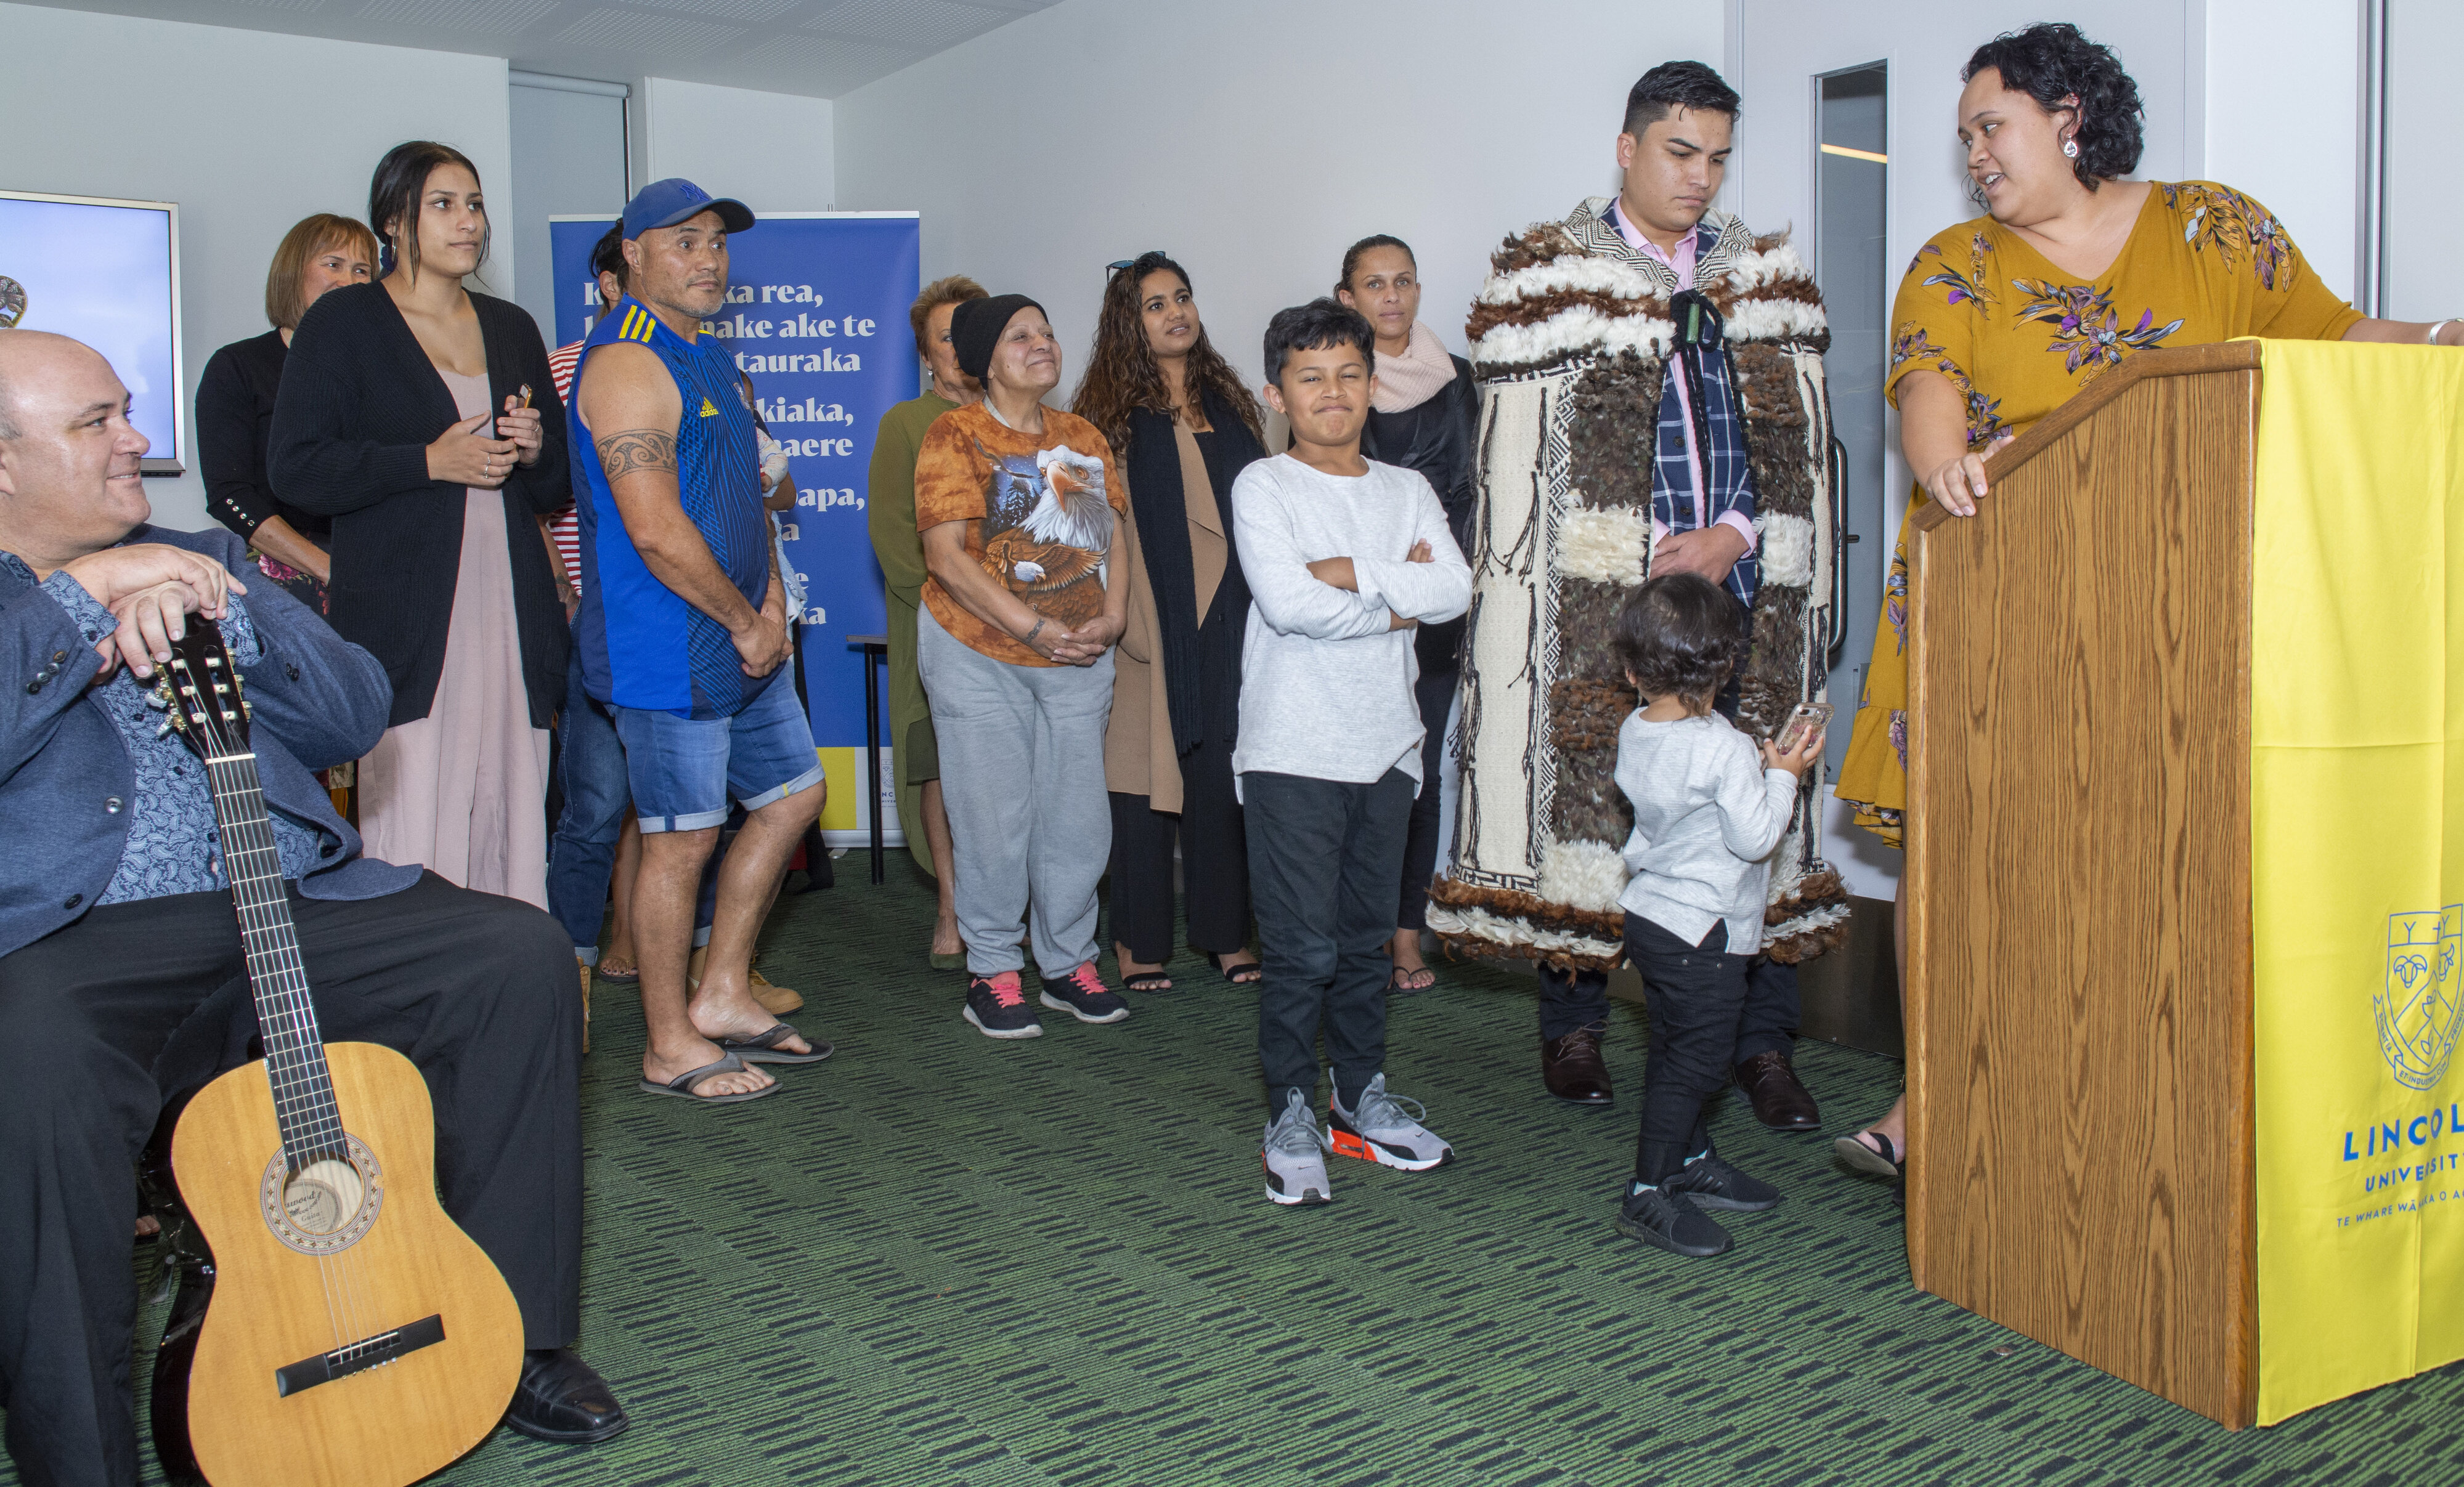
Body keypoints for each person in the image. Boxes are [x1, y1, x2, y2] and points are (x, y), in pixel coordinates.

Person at [1831, 22, 2459, 1189]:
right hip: (1992, 587)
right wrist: (1941, 463)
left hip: (2175, 604)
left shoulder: (2212, 227)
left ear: (2066, 115)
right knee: (1962, 846)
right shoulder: (1954, 259)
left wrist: (2436, 338)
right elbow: (1925, 381)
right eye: (1963, 135)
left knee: (2142, 847)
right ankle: (1934, 1091)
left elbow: (2330, 336)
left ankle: (2123, 1094)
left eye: (1989, 125)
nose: (1971, 152)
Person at [0, 331, 625, 1487]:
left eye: (126, 410)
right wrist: (82, 601)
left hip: (282, 893)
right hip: (69, 940)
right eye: (96, 422)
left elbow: (354, 708)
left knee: (512, 952)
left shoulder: (200, 552)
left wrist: (228, 621)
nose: (140, 438)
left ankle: (519, 1334)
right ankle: (74, 1453)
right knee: (26, 1065)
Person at [1427, 62, 1845, 1132]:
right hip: (1599, 609)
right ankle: (1570, 1026)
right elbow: (1517, 462)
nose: (1699, 177)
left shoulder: (1759, 279)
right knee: (1593, 798)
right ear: (1627, 148)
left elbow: (1793, 448)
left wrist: (1732, 534)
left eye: (1715, 156)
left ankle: (1759, 1043)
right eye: (1678, 152)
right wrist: (1639, 551)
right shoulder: (1549, 276)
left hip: (1742, 590)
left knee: (1754, 810)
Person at [571, 178, 827, 1103]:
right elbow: (653, 529)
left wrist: (767, 609)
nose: (709, 258)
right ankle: (668, 1043)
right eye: (684, 242)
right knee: (678, 841)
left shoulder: (709, 357)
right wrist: (740, 620)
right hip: (666, 647)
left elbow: (749, 498)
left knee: (795, 796)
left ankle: (722, 992)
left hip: (745, 631)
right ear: (631, 255)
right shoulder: (625, 364)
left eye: (716, 242)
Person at [269, 140, 568, 909]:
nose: (467, 221)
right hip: (408, 619)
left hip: (509, 611)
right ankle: (411, 1003)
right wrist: (426, 463)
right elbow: (296, 468)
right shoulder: (346, 321)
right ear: (393, 221)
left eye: (473, 204)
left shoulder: (511, 325)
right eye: (443, 204)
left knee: (512, 815)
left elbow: (558, 485)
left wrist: (535, 450)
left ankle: (509, 995)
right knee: (414, 819)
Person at [1237, 299, 1471, 1207]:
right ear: (1277, 393)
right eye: (1309, 377)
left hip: (1386, 748)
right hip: (1292, 748)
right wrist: (1395, 596)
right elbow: (1290, 607)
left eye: (1347, 374)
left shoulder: (1406, 490)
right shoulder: (1265, 487)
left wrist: (1349, 571)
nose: (1331, 393)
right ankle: (1291, 1108)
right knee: (1298, 950)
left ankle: (1357, 1095)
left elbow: (1452, 587)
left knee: (1367, 943)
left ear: (1372, 384)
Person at [914, 293, 1132, 1039]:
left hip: (1078, 651)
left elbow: (1114, 538)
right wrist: (1031, 625)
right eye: (1020, 335)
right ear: (984, 359)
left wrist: (1115, 614)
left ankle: (1070, 963)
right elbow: (944, 556)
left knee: (1077, 814)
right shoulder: (954, 433)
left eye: (1046, 330)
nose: (1042, 343)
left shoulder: (1083, 436)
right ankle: (995, 970)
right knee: (992, 812)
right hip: (978, 651)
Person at [1603, 573, 1826, 1257]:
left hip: (1655, 919)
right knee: (1695, 1063)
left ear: (1633, 669)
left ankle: (1690, 1158)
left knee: (1673, 1044)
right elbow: (1755, 838)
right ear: (1726, 664)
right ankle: (1648, 1191)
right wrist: (1784, 773)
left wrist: (1750, 771)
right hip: (1706, 932)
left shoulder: (1637, 727)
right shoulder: (1723, 745)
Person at [1073, 252, 1267, 992]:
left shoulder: (1235, 404)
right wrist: (1123, 617)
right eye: (1155, 304)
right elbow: (1089, 527)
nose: (1175, 312)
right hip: (1147, 621)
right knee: (1139, 780)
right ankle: (1138, 940)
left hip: (1234, 613)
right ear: (1130, 321)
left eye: (1181, 297)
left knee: (1220, 775)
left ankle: (1225, 932)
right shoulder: (1106, 420)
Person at [1334, 235, 1478, 994]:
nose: (1391, 297)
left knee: (1420, 774)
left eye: (1404, 282)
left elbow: (1479, 486)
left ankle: (1404, 936)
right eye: (1374, 284)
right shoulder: (1336, 382)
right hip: (1361, 603)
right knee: (1355, 769)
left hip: (1441, 609)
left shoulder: (1460, 378)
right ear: (1347, 297)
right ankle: (1342, 929)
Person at [869, 273, 986, 970]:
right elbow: (893, 541)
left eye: (972, 333)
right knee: (942, 768)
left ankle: (1005, 906)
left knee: (1005, 776)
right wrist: (971, 607)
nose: (962, 348)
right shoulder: (905, 425)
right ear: (927, 355)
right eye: (949, 337)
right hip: (936, 627)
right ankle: (950, 905)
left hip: (1020, 636)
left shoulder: (1018, 423)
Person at [195, 213, 378, 614]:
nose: (349, 281)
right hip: (283, 584)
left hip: (381, 575)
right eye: (333, 264)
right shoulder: (238, 366)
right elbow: (229, 495)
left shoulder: (390, 374)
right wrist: (329, 569)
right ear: (293, 274)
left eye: (362, 269)